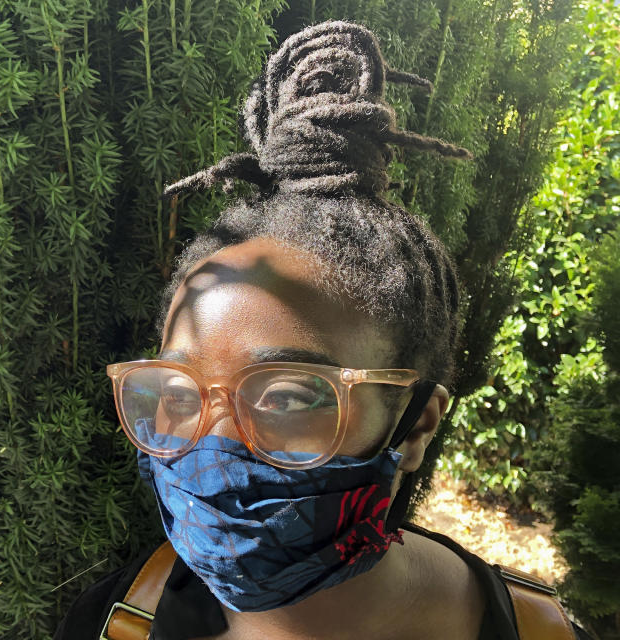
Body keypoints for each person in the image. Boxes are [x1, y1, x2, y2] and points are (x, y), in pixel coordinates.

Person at [55, 20, 589, 640]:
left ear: (416, 423)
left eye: (287, 395)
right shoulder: (115, 621)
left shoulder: (537, 632)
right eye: (177, 394)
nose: (213, 449)